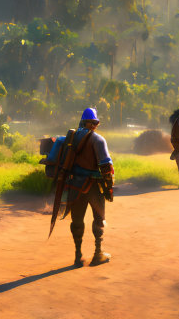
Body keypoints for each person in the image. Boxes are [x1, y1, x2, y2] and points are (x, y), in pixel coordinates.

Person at [67, 107, 114, 266]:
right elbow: (106, 166)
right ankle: (97, 254)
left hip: (75, 186)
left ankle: (78, 255)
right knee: (98, 220)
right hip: (94, 186)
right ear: (94, 123)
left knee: (77, 221)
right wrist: (108, 187)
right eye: (94, 122)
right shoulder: (98, 140)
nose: (95, 125)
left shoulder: (71, 138)